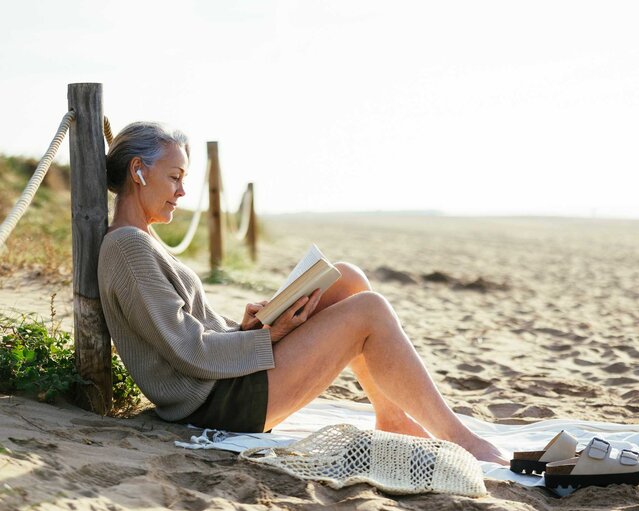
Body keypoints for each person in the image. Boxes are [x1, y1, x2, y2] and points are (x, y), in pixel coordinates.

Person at [97, 121, 506, 465]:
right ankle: (461, 441)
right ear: (138, 171)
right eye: (175, 177)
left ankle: (392, 416)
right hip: (216, 405)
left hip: (221, 386)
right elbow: (189, 352)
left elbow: (186, 332)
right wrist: (264, 337)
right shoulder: (129, 247)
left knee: (346, 278)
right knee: (369, 311)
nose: (182, 192)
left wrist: (244, 327)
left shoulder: (140, 241)